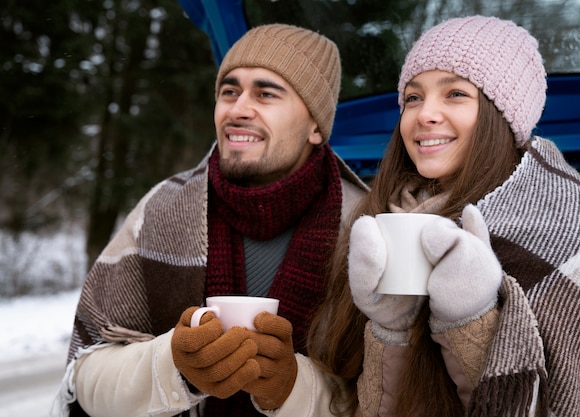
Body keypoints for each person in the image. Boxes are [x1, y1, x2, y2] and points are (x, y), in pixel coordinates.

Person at [299, 15, 580, 417]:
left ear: (501, 115)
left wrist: (470, 320)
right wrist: (391, 328)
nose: (424, 114)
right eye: (414, 97)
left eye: (455, 93)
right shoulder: (383, 217)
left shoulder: (573, 232)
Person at [51, 23, 367, 417]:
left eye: (266, 94)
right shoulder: (163, 210)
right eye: (229, 92)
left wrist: (291, 389)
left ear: (316, 126)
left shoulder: (365, 227)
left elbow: (389, 395)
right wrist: (174, 368)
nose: (237, 110)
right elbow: (84, 378)